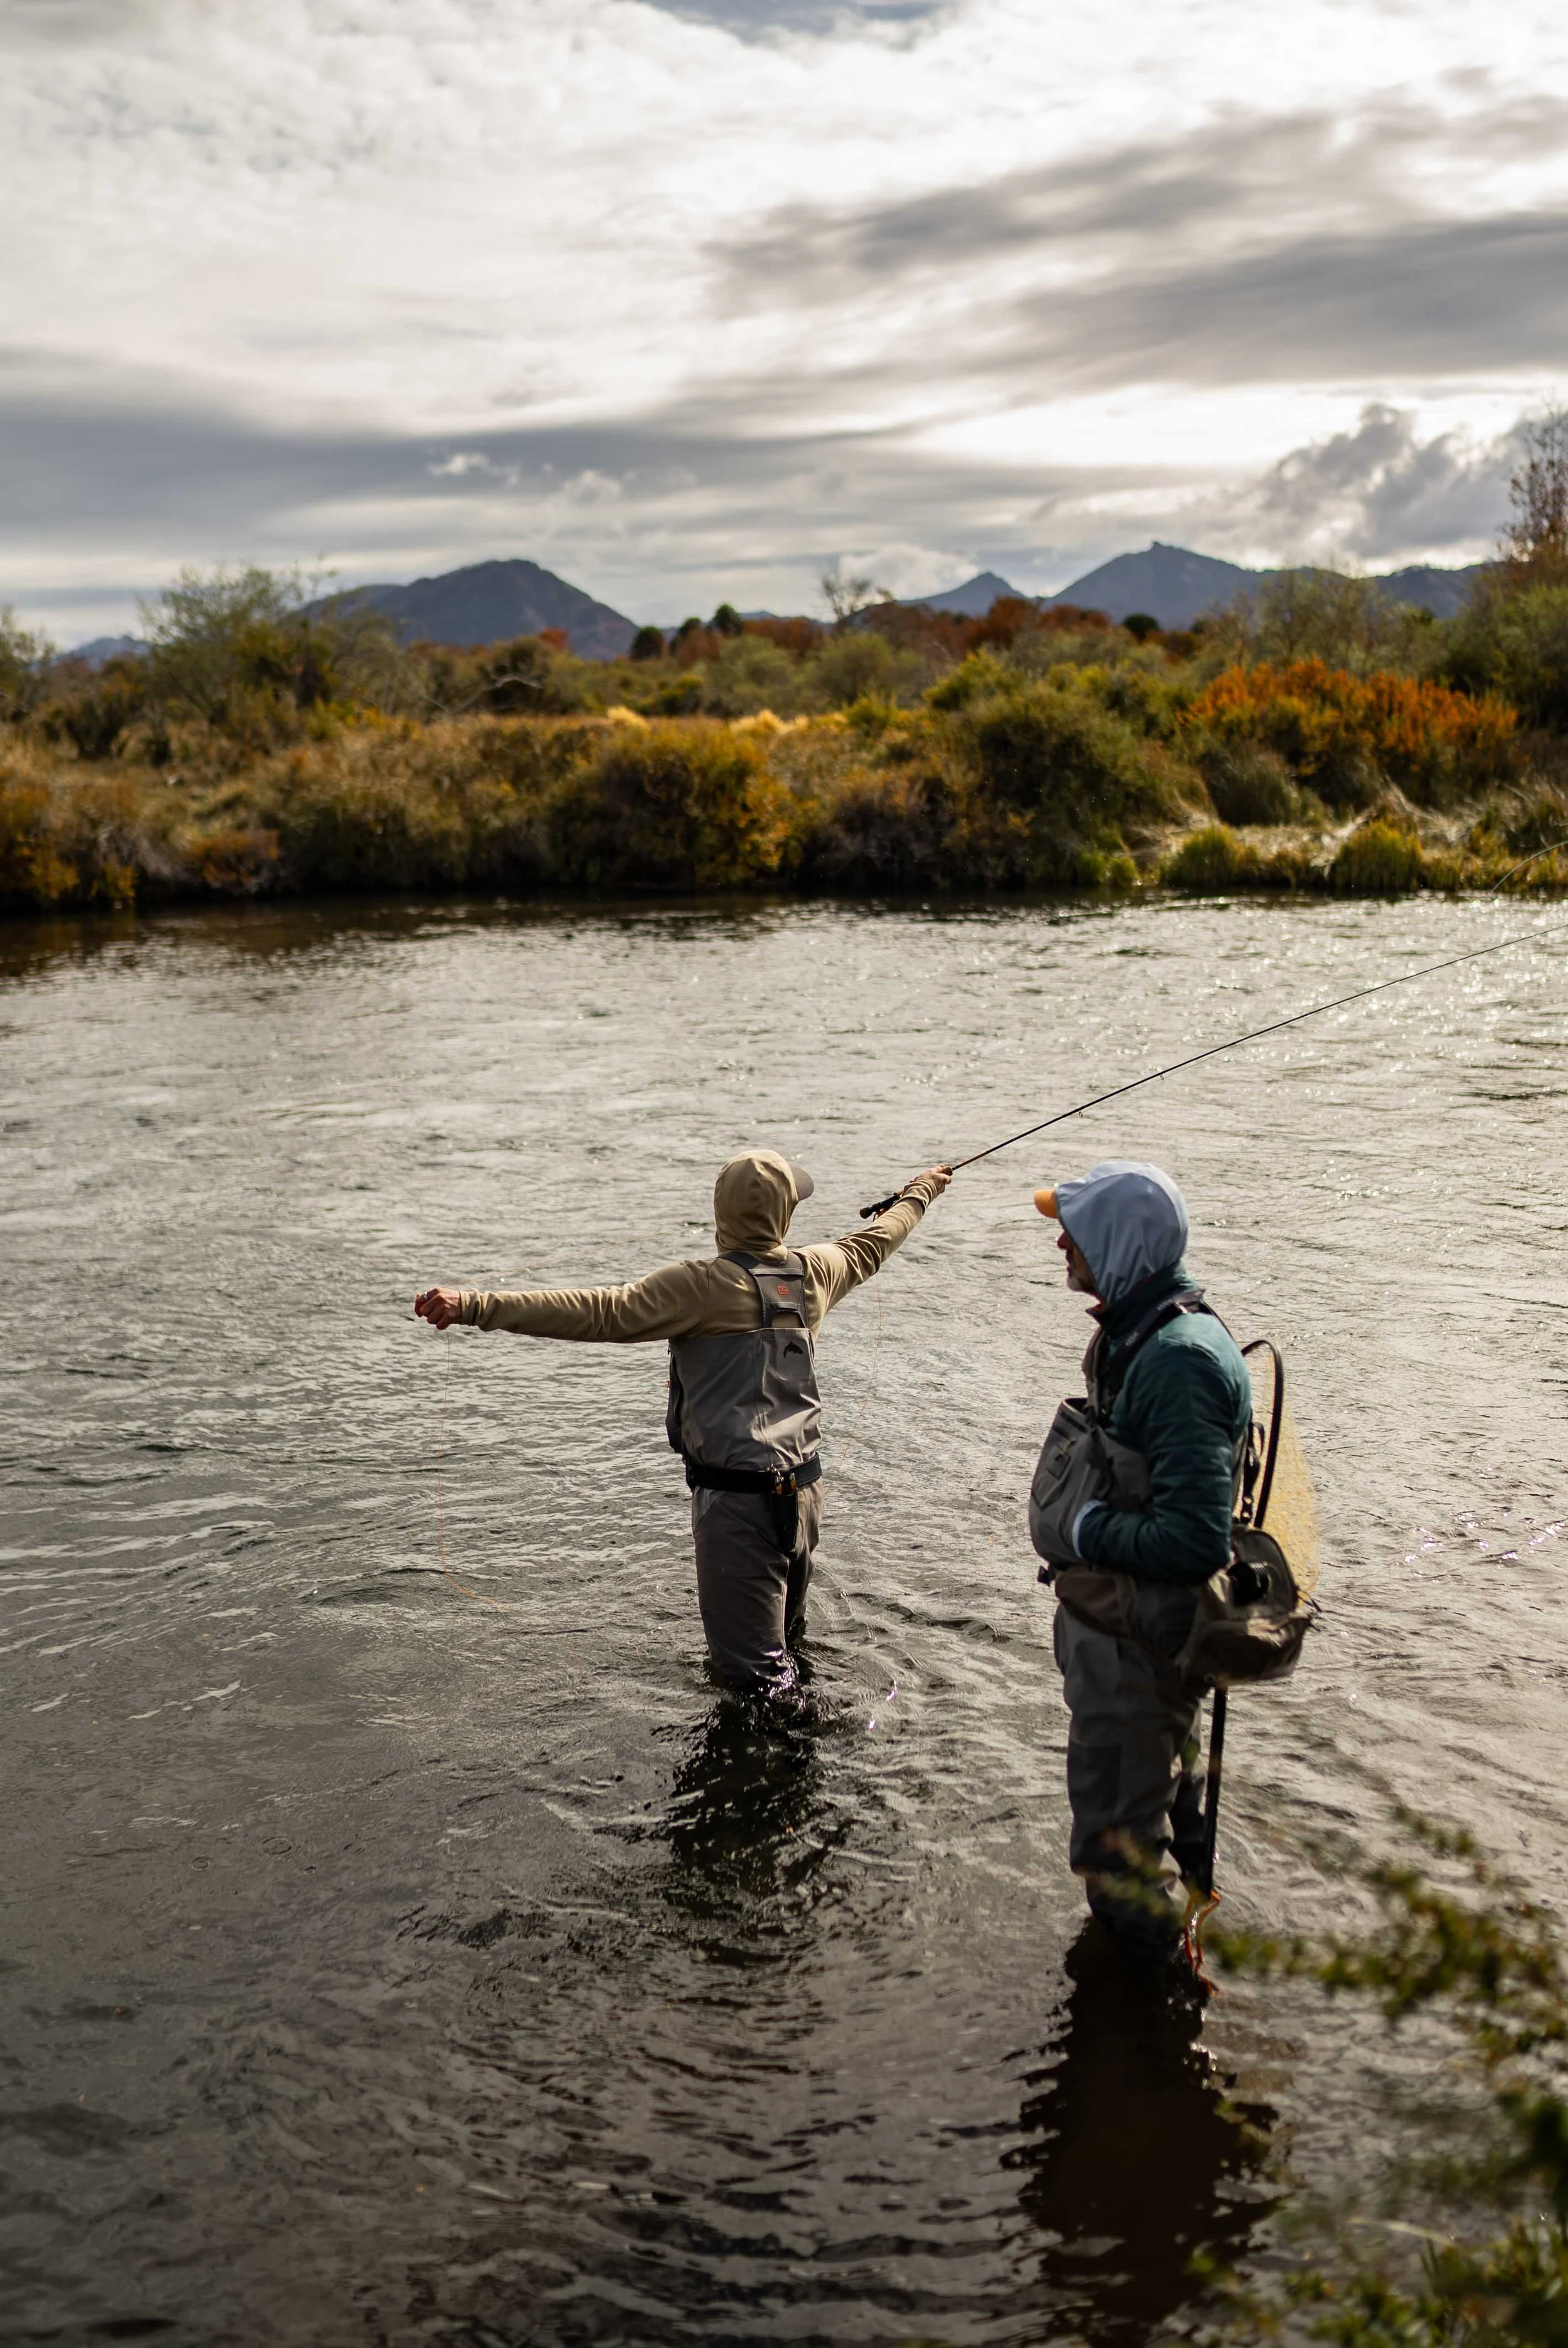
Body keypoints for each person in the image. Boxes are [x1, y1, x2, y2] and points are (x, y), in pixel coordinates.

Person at [415, 1149, 950, 1696]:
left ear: (721, 1213)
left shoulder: (698, 1287)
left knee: (752, 1685)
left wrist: (475, 1305)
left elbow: (596, 1312)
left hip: (738, 1508)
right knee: (787, 1651)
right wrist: (922, 1189)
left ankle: (774, 1766)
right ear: (784, 1217)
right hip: (806, 1495)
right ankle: (806, 1760)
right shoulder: (816, 1271)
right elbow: (879, 1239)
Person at [1030, 1161, 1251, 1973]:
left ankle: (1156, 2014)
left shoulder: (1178, 1359)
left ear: (1121, 1243)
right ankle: (1187, 1967)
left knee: (1117, 1866)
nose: (1060, 1239)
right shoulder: (1144, 1328)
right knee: (1165, 1818)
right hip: (1132, 1642)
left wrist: (1085, 1525)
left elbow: (1197, 1539)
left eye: (1077, 1229)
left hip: (1139, 1650)